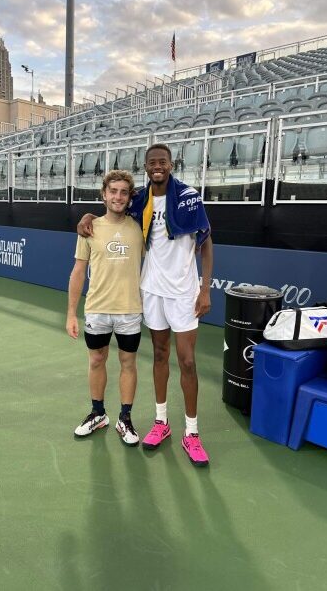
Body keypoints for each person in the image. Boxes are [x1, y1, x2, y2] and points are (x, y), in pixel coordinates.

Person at [77, 144, 214, 467]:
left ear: (171, 164)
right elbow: (112, 210)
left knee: (188, 362)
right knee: (160, 357)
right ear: (145, 166)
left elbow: (206, 245)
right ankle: (161, 423)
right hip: (150, 291)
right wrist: (85, 216)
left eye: (162, 162)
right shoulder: (140, 201)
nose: (157, 167)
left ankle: (192, 433)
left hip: (183, 293)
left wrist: (205, 289)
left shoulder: (190, 198)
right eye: (151, 162)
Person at [67, 170, 145, 446]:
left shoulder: (140, 227)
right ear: (104, 194)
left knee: (128, 363)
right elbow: (78, 271)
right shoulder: (89, 228)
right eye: (113, 191)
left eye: (124, 192)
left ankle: (125, 419)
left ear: (130, 196)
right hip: (97, 310)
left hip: (129, 311)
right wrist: (71, 314)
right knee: (96, 360)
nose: (118, 197)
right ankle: (98, 414)